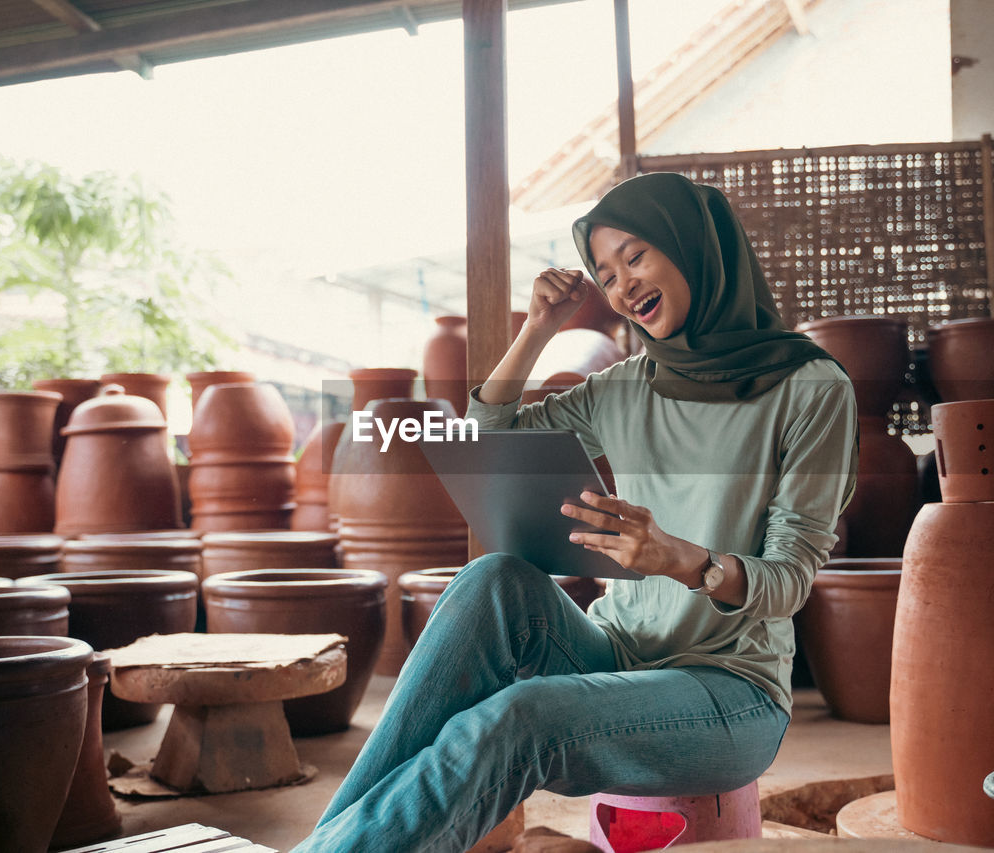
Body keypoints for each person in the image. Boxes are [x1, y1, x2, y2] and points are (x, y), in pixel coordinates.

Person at [293, 172, 857, 853]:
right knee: (492, 577)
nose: (623, 284)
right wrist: (536, 329)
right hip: (614, 653)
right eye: (606, 272)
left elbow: (790, 579)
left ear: (693, 245)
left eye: (637, 255)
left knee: (517, 719)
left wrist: (680, 559)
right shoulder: (623, 388)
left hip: (729, 692)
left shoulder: (811, 387)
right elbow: (488, 434)